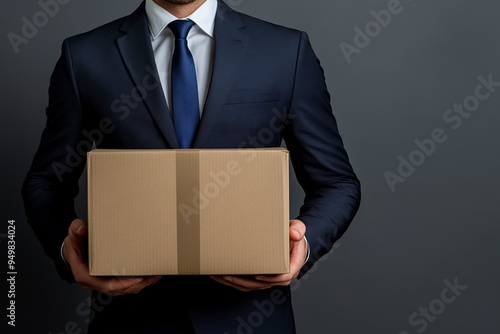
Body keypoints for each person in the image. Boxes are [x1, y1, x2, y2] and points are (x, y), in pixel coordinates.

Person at [22, 0, 361, 333]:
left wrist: (303, 246)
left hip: (250, 317)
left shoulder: (285, 50)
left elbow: (336, 182)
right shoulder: (84, 55)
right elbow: (46, 181)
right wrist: (70, 251)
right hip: (129, 318)